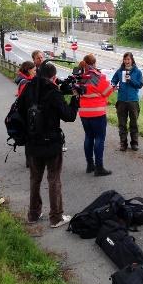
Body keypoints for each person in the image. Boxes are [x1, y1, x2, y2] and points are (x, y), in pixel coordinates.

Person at [17, 62, 79, 228]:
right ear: (53, 77)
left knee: (34, 179)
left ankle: (33, 214)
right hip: (51, 143)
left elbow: (19, 111)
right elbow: (69, 116)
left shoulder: (28, 89)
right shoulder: (53, 92)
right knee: (54, 179)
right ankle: (56, 217)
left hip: (32, 143)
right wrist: (75, 98)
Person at [78, 54, 114, 176]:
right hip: (97, 112)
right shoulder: (97, 76)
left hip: (84, 112)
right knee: (99, 138)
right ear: (94, 63)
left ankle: (90, 165)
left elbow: (75, 91)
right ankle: (99, 168)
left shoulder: (80, 76)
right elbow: (107, 91)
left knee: (88, 137)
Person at [111, 52, 143, 151]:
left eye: (128, 59)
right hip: (121, 100)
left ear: (132, 60)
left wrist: (131, 80)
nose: (127, 61)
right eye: (125, 59)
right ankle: (123, 143)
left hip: (133, 100)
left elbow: (140, 85)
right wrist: (113, 85)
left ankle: (134, 143)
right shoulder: (120, 71)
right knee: (122, 123)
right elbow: (113, 80)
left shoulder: (137, 72)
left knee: (134, 123)